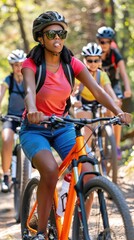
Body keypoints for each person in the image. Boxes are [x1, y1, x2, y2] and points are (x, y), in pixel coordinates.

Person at [20, 11, 131, 240]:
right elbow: (30, 90)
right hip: (35, 129)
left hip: (62, 126)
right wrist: (32, 109)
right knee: (50, 171)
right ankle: (41, 232)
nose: (57, 37)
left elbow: (98, 90)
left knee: (89, 173)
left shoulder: (71, 63)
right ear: (41, 37)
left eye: (61, 32)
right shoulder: (31, 64)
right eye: (52, 33)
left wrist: (118, 111)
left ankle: (81, 231)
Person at [71, 42, 120, 148]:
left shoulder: (101, 75)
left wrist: (115, 99)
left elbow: (109, 89)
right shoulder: (80, 75)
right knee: (88, 131)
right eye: (90, 60)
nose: (93, 63)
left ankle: (108, 142)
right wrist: (74, 101)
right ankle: (87, 158)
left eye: (96, 60)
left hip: (98, 103)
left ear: (100, 61)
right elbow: (72, 93)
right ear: (84, 60)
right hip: (83, 104)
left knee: (109, 112)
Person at [96, 26, 132, 160]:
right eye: (102, 42)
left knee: (118, 106)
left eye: (107, 42)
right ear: (98, 41)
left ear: (111, 42)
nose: (104, 45)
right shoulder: (95, 54)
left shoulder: (115, 55)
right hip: (100, 84)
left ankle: (115, 145)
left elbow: (123, 73)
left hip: (114, 83)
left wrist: (128, 89)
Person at [0, 49, 26, 193]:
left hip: (27, 117)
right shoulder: (8, 80)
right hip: (11, 117)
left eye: (21, 64)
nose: (19, 67)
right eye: (15, 65)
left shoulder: (30, 78)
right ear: (11, 66)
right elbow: (1, 93)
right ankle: (6, 176)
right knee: (7, 139)